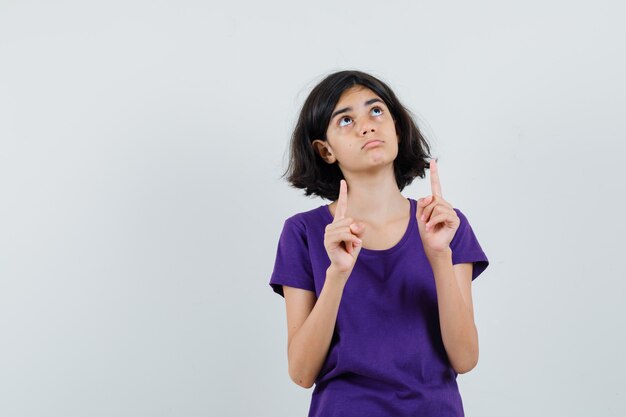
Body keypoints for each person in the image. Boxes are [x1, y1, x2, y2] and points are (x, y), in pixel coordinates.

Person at [269, 70, 489, 417]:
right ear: (325, 150)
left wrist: (438, 257)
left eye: (376, 111)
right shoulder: (302, 233)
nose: (366, 126)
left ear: (396, 128)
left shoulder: (445, 225)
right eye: (345, 119)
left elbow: (465, 358)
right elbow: (301, 372)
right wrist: (337, 274)